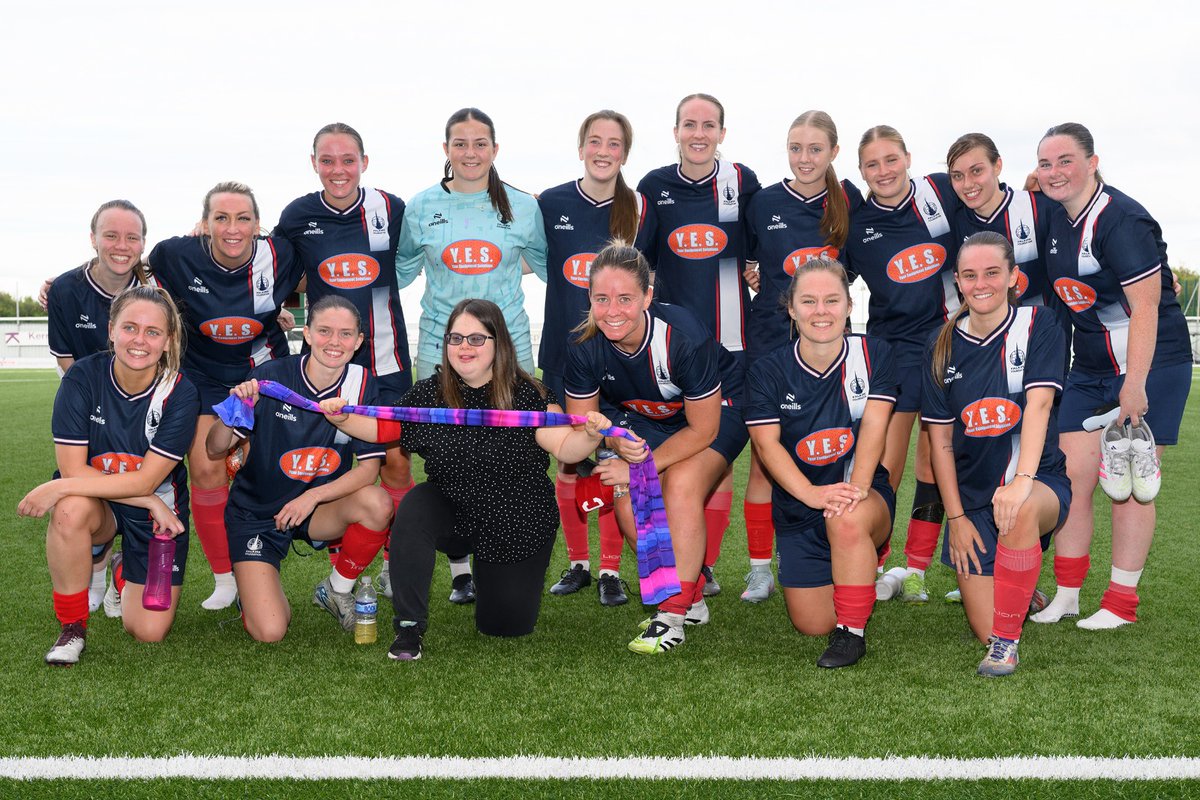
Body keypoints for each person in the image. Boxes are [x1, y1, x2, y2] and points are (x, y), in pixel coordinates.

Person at [321, 298, 611, 661]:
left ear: (498, 343)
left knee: (503, 626)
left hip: (516, 520)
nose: (464, 347)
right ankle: (409, 628)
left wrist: (591, 434)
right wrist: (341, 418)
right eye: (455, 338)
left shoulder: (529, 394)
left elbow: (567, 447)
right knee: (416, 506)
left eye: (476, 339)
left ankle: (487, 580)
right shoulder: (430, 393)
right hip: (452, 507)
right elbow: (383, 427)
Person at [1028, 123, 1192, 629]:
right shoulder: (1055, 217)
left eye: (1066, 161)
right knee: (1071, 477)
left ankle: (1122, 602)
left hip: (1150, 365)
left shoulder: (1121, 220)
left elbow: (1144, 309)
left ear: (1093, 163)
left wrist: (1135, 383)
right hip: (1092, 367)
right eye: (1046, 162)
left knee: (1128, 482)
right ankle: (1069, 593)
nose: (1055, 172)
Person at [564, 242, 749, 654]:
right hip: (645, 421)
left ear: (648, 296)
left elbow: (703, 430)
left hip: (718, 413)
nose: (613, 310)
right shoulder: (581, 345)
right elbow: (584, 428)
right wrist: (612, 441)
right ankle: (693, 596)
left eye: (626, 298)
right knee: (629, 506)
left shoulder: (683, 336)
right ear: (589, 298)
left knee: (680, 484)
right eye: (602, 298)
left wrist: (639, 464)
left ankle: (672, 615)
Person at [19, 286, 199, 666]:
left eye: (153, 332)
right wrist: (145, 495)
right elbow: (74, 470)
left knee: (148, 631)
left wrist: (56, 486)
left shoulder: (180, 394)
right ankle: (72, 627)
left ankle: (119, 568)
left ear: (168, 341)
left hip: (157, 515)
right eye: (130, 327)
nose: (140, 341)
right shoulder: (83, 377)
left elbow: (146, 480)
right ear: (112, 329)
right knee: (69, 509)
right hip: (102, 502)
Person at [147, 181, 305, 611]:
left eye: (242, 218)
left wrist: (287, 314)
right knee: (204, 464)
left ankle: (299, 567)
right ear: (205, 224)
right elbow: (131, 270)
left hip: (265, 370)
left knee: (278, 467)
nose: (232, 228)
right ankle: (225, 579)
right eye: (221, 218)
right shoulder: (175, 254)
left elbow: (323, 274)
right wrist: (62, 283)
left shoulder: (281, 255)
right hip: (204, 374)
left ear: (258, 224)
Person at [274, 123, 414, 597]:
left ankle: (395, 565)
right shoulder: (297, 215)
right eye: (328, 160)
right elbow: (271, 268)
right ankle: (343, 574)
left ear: (364, 163)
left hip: (386, 359)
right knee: (333, 462)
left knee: (394, 464)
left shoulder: (390, 208)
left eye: (348, 160)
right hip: (328, 361)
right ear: (314, 163)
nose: (338, 170)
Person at [922, 232, 1070, 676]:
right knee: (984, 623)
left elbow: (1040, 404)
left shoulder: (1040, 325)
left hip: (1037, 482)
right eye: (969, 274)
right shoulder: (939, 344)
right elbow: (940, 443)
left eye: (992, 272)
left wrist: (1021, 482)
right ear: (958, 282)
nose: (980, 283)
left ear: (1013, 278)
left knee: (1020, 510)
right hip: (973, 503)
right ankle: (1022, 592)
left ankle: (1005, 646)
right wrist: (957, 519)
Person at [204, 296, 393, 642]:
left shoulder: (362, 383)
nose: (334, 342)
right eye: (324, 331)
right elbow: (214, 448)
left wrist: (312, 497)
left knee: (377, 503)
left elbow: (368, 471)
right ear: (307, 333)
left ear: (359, 341)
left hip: (317, 508)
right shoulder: (271, 376)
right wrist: (235, 410)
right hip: (256, 513)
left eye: (345, 334)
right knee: (271, 630)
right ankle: (252, 592)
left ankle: (336, 590)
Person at [636, 92, 763, 598]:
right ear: (675, 132)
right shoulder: (653, 186)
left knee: (722, 455)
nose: (699, 133)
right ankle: (697, 568)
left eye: (708, 125)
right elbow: (640, 264)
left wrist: (759, 272)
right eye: (690, 124)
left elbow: (760, 249)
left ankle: (714, 565)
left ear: (722, 134)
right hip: (676, 349)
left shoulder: (743, 182)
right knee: (689, 453)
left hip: (734, 345)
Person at [744, 258, 896, 668]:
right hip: (799, 505)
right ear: (791, 308)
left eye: (832, 300)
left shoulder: (875, 353)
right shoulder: (767, 371)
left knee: (845, 523)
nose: (821, 311)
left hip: (860, 496)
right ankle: (853, 570)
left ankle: (853, 633)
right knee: (812, 623)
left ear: (849, 305)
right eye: (808, 301)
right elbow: (766, 443)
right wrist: (811, 494)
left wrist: (855, 492)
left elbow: (875, 429)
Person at [742, 110, 864, 603]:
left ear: (834, 152)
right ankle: (757, 568)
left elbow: (854, 266)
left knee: (841, 447)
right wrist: (756, 271)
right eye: (796, 148)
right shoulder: (764, 201)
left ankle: (849, 551)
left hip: (830, 341)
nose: (805, 158)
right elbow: (748, 259)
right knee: (765, 459)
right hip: (771, 341)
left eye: (815, 149)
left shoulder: (849, 201)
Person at [842, 125, 962, 605]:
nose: (883, 170)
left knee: (937, 457)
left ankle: (915, 569)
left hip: (949, 344)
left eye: (891, 159)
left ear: (908, 157)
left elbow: (993, 201)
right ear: (861, 171)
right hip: (889, 349)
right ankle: (867, 562)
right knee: (882, 463)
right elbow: (830, 272)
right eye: (872, 164)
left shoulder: (941, 192)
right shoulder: (856, 222)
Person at [537, 110, 653, 606]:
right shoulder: (551, 203)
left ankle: (610, 570)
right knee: (568, 459)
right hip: (564, 352)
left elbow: (651, 280)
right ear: (581, 146)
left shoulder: (641, 208)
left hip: (616, 358)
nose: (604, 151)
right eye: (595, 141)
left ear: (625, 153)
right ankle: (578, 562)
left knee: (609, 453)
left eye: (614, 144)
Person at [45, 199, 151, 614]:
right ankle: (96, 575)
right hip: (89, 406)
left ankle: (129, 566)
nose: (121, 245)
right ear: (93, 239)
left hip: (146, 410)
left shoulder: (155, 288)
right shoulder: (66, 291)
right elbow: (68, 365)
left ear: (143, 243)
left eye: (132, 236)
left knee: (140, 484)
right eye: (111, 234)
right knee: (87, 489)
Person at [396, 107, 548, 376]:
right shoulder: (420, 207)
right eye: (460, 144)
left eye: (480, 144)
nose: (470, 153)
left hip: (508, 344)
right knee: (437, 421)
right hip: (440, 345)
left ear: (495, 149)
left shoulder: (524, 206)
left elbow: (551, 268)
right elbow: (400, 272)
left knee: (519, 420)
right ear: (446, 148)